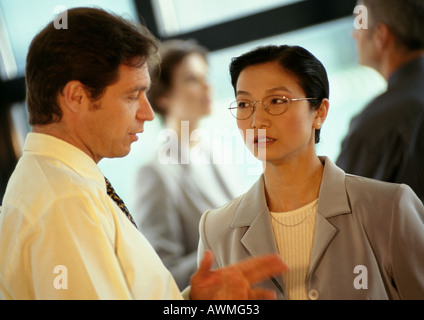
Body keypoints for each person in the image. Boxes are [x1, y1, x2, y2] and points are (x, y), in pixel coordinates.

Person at [0, 7, 287, 300]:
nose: (148, 114)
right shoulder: (64, 201)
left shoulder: (63, 185)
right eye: (131, 96)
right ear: (76, 97)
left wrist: (193, 300)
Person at [197, 44, 424, 300]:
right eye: (244, 103)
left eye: (277, 101)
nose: (257, 120)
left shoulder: (389, 208)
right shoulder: (216, 230)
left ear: (319, 112)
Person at [133, 39, 237, 290]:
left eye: (206, 76)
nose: (207, 86)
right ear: (163, 97)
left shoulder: (218, 151)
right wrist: (234, 246)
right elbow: (164, 272)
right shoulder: (155, 173)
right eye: (192, 79)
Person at [336, 0, 424, 202]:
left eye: (358, 25)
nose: (353, 34)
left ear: (381, 36)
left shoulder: (377, 125)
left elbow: (340, 210)